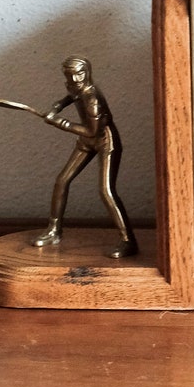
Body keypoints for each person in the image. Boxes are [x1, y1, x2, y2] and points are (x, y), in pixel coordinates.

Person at [31, 56, 137, 253]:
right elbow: (72, 96)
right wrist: (57, 106)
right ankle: (54, 231)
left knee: (106, 191)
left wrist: (60, 122)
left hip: (105, 142)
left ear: (87, 73)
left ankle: (128, 240)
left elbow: (92, 131)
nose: (74, 79)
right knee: (62, 180)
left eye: (79, 74)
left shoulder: (93, 99)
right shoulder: (76, 87)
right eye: (69, 75)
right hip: (86, 142)